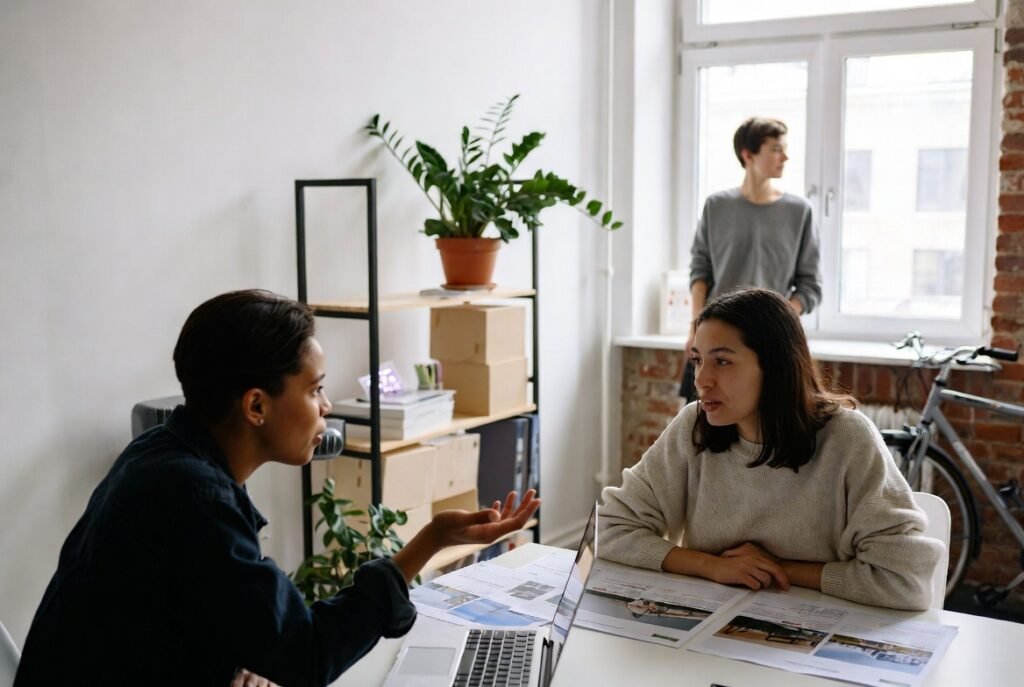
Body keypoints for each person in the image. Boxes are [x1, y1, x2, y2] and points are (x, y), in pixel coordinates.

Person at [15, 289, 540, 686]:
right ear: (256, 406)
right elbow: (306, 656)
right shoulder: (195, 497)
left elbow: (175, 619)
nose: (326, 406)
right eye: (315, 389)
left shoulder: (160, 454)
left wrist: (233, 658)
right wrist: (429, 541)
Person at [601, 288, 941, 612]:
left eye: (722, 362)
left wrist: (779, 569)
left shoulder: (848, 438)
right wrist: (713, 566)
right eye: (698, 360)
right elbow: (610, 529)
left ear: (775, 366)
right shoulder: (694, 425)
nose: (701, 380)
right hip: (712, 627)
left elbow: (905, 581)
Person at [681, 117, 822, 400]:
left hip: (772, 344)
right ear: (748, 155)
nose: (785, 157)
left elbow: (810, 287)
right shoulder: (716, 206)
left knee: (772, 422)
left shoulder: (799, 211)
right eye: (776, 149)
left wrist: (774, 319)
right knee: (702, 421)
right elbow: (700, 269)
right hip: (715, 338)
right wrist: (696, 325)